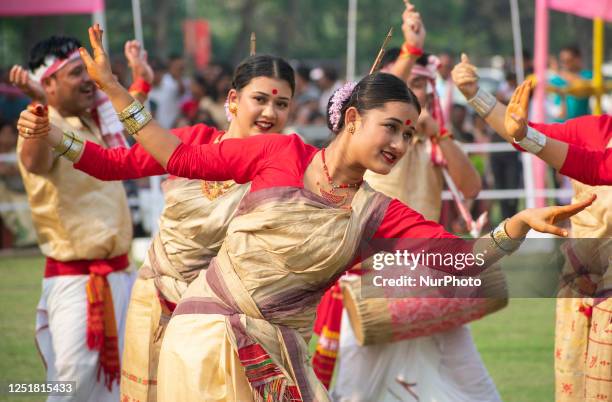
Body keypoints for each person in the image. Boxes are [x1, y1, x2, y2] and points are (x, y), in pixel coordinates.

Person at [24, 24, 595, 400]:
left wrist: (515, 226)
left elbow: (459, 259)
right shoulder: (279, 153)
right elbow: (170, 154)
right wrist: (116, 90)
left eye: (406, 131)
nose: (399, 143)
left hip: (276, 347)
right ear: (351, 122)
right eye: (388, 128)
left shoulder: (378, 212)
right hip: (198, 331)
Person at [19, 50, 296, 401]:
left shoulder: (283, 165)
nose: (270, 113)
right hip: (154, 303)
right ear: (233, 99)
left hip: (222, 317)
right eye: (260, 99)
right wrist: (53, 135)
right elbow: (112, 164)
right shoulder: (193, 141)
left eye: (282, 104)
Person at [453, 53, 611, 402]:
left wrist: (525, 136)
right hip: (578, 282)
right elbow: (521, 131)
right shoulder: (596, 130)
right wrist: (474, 93)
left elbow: (589, 166)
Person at [11, 35, 137, 401]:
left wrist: (141, 80)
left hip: (122, 277)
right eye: (76, 72)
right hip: (79, 286)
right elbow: (33, 162)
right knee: (71, 388)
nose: (89, 79)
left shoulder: (95, 120)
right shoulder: (42, 125)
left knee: (127, 387)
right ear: (47, 82)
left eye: (89, 71)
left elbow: (132, 118)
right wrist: (37, 106)